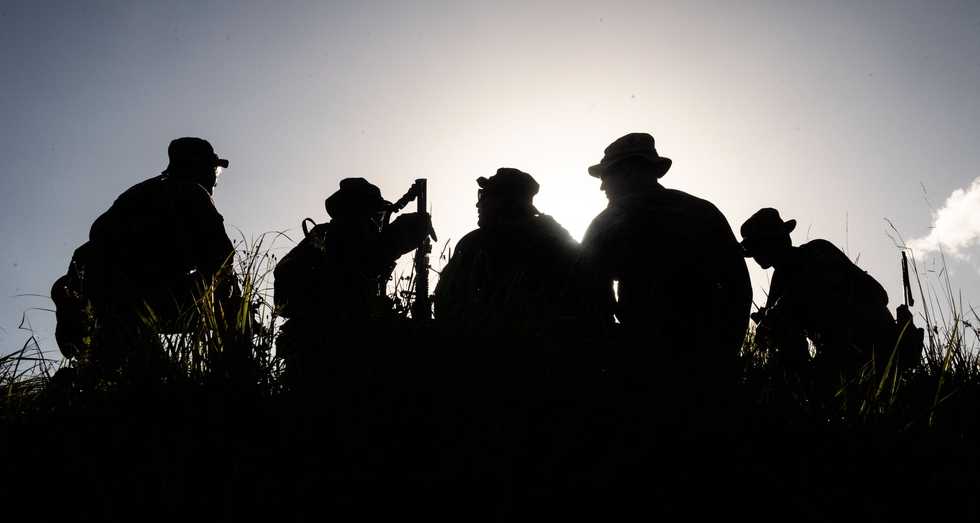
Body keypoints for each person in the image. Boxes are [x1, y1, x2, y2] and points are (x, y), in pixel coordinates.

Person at [51, 137, 239, 370]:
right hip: (141, 297)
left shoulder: (140, 192)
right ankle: (236, 372)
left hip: (101, 301)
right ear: (199, 167)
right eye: (214, 170)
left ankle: (98, 367)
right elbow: (221, 259)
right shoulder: (189, 191)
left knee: (118, 367)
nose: (216, 179)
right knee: (229, 289)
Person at [579, 133, 753, 368]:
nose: (602, 186)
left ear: (626, 170)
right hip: (708, 357)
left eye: (604, 175)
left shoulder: (608, 221)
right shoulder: (705, 211)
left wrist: (614, 352)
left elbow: (588, 297)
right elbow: (739, 288)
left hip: (643, 362)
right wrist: (726, 350)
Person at [273, 177, 433, 387]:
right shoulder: (353, 226)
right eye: (378, 213)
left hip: (313, 350)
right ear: (366, 206)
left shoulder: (325, 233)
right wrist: (404, 231)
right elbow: (366, 258)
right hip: (337, 349)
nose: (379, 219)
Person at [740, 207, 902, 378]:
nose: (755, 254)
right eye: (752, 248)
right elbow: (775, 318)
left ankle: (844, 366)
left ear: (780, 239)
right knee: (778, 326)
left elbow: (814, 283)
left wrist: (772, 316)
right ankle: (805, 379)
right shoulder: (780, 279)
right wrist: (766, 325)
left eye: (759, 244)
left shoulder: (817, 249)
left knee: (815, 302)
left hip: (878, 334)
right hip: (842, 346)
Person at [433, 168, 590, 331]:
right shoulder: (561, 240)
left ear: (501, 200)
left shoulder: (480, 242)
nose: (477, 204)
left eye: (482, 195)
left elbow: (446, 301)